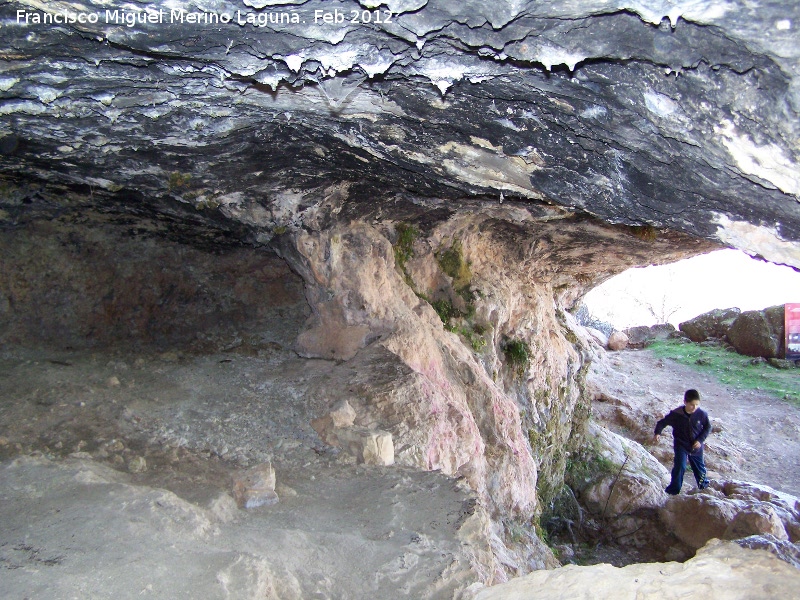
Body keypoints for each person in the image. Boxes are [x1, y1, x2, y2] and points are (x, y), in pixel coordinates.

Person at [653, 389, 711, 495]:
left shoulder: (701, 414)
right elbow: (662, 422)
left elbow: (707, 427)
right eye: (692, 405)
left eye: (697, 405)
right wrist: (658, 432)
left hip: (696, 445)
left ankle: (704, 486)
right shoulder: (676, 414)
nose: (694, 407)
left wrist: (700, 440)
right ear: (685, 402)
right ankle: (673, 490)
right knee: (680, 466)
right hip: (681, 444)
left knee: (699, 468)